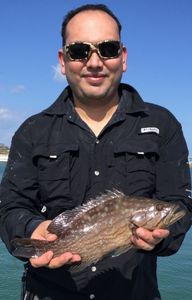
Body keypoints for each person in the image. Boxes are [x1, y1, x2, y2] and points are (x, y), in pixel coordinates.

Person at [0, 3, 191, 300]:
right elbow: (10, 207)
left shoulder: (162, 125)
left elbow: (179, 204)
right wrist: (33, 228)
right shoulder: (31, 131)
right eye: (79, 51)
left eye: (108, 48)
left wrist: (161, 239)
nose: (94, 62)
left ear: (123, 57)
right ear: (63, 61)